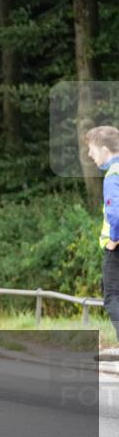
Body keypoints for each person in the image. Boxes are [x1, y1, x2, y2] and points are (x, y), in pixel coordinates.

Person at [87, 126, 119, 359]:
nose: (90, 155)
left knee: (112, 297)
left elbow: (116, 214)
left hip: (116, 247)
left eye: (92, 149)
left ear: (105, 150)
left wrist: (114, 239)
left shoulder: (113, 174)